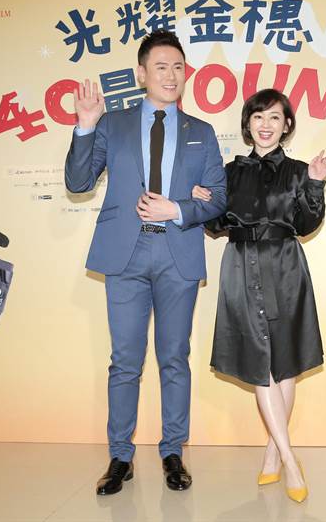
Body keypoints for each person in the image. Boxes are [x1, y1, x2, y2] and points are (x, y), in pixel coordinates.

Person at [65, 30, 226, 495]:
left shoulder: (201, 132)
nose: (171, 76)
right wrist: (85, 125)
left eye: (178, 67)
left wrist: (176, 208)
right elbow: (78, 182)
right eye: (160, 67)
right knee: (125, 362)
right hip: (126, 254)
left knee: (174, 358)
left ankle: (173, 451)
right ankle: (120, 456)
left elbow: (218, 197)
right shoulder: (112, 124)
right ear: (141, 74)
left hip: (178, 252)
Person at [192, 88, 326, 502]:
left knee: (285, 367)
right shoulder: (229, 172)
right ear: (248, 124)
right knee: (262, 365)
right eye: (258, 117)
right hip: (241, 266)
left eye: (274, 117)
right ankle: (291, 461)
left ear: (286, 125)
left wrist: (316, 184)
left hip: (286, 268)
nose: (266, 125)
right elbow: (216, 226)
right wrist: (205, 202)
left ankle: (274, 454)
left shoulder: (300, 171)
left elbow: (305, 225)